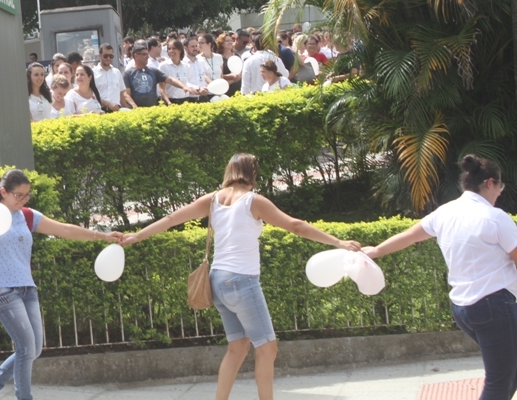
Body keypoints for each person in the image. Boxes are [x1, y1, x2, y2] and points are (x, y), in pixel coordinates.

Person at [121, 154, 360, 400]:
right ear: (253, 174)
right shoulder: (253, 201)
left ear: (229, 172)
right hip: (242, 281)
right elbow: (295, 226)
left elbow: (172, 219)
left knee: (237, 347)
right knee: (267, 349)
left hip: (217, 281)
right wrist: (338, 241)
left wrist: (135, 236)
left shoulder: (213, 199)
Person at [363, 155, 517, 400]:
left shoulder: (445, 212)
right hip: (493, 307)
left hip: (464, 309)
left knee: (508, 372)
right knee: (500, 380)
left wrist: (376, 250)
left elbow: (410, 236)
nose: (500, 192)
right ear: (490, 183)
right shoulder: (496, 218)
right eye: (500, 186)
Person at [0, 169, 122, 400]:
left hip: (26, 287)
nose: (23, 199)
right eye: (18, 195)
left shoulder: (27, 216)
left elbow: (64, 229)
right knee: (25, 348)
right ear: (3, 192)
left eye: (27, 195)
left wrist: (103, 236)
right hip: (0, 288)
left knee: (35, 348)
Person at [122, 41, 200, 108]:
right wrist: (135, 107)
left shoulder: (153, 71)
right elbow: (126, 94)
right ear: (136, 55)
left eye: (147, 54)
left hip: (153, 109)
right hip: (137, 112)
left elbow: (170, 80)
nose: (147, 57)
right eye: (144, 54)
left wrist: (184, 87)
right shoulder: (128, 73)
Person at [92, 44, 123, 112]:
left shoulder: (117, 72)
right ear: (99, 56)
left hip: (116, 111)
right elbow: (91, 95)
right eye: (105, 56)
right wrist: (108, 104)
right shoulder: (92, 73)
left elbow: (122, 93)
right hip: (99, 111)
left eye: (111, 56)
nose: (108, 58)